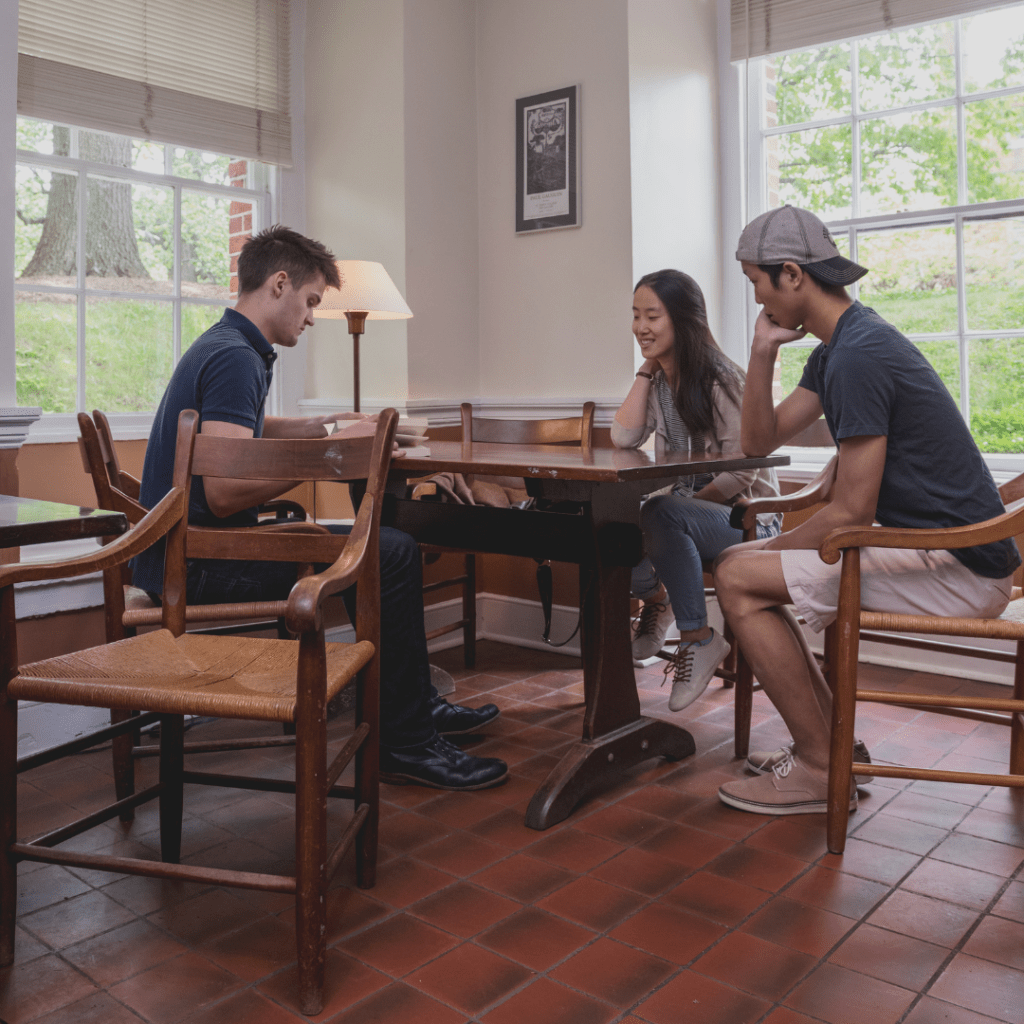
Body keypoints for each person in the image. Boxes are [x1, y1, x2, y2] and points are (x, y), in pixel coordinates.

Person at [133, 225, 507, 791]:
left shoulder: (227, 344)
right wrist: (327, 456)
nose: (310, 318)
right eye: (310, 302)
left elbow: (247, 432)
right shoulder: (237, 358)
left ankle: (413, 709)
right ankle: (406, 739)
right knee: (391, 553)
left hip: (186, 551)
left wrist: (328, 424)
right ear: (279, 284)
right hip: (197, 565)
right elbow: (223, 491)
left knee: (380, 549)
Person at [714, 204, 1020, 816]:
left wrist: (764, 560)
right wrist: (763, 351)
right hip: (940, 549)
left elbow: (851, 508)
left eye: (755, 282)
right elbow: (757, 440)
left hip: (959, 567)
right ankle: (831, 747)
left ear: (792, 274)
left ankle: (819, 765)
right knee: (743, 565)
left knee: (736, 576)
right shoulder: (841, 348)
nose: (756, 298)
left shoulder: (858, 356)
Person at [611, 270, 781, 711]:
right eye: (635, 316)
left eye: (652, 316)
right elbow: (624, 438)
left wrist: (683, 505)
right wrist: (646, 370)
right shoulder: (661, 381)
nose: (640, 327)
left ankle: (698, 637)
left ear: (683, 320)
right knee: (608, 525)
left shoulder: (722, 378)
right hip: (689, 517)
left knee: (660, 513)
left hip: (748, 521)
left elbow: (741, 471)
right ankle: (657, 598)